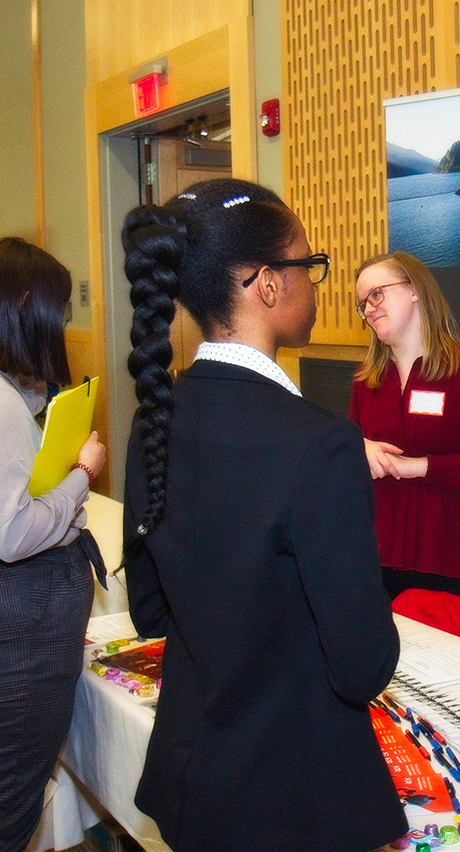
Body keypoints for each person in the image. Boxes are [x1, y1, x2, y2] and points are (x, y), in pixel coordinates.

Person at [121, 179, 407, 852]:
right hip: (291, 794)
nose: (315, 282)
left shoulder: (156, 422)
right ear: (268, 286)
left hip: (194, 775)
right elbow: (362, 664)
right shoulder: (318, 444)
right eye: (308, 265)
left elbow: (151, 612)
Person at [0, 237, 107, 850]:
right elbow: (14, 533)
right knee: (14, 796)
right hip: (22, 631)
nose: (62, 322)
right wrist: (81, 474)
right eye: (59, 307)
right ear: (24, 301)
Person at [350, 251, 460, 605]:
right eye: (362, 303)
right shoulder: (366, 382)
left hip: (459, 567)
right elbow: (346, 467)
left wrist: (422, 467)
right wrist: (357, 448)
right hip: (380, 564)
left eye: (376, 294)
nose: (369, 309)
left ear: (415, 290)